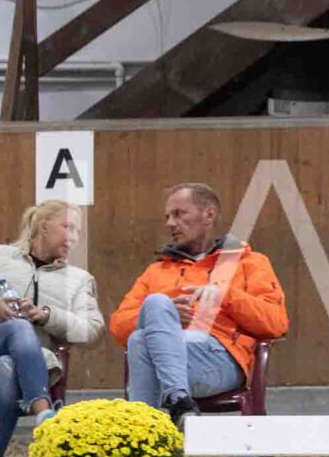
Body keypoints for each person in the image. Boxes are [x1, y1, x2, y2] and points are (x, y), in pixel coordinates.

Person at [0, 199, 105, 457]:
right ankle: (44, 411)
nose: (74, 237)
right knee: (18, 326)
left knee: (6, 367)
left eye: (78, 231)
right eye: (68, 227)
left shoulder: (79, 279)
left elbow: (91, 330)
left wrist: (46, 315)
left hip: (28, 367)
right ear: (43, 226)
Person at [112, 182, 289, 425]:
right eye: (167, 217)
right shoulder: (156, 271)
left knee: (142, 340)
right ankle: (179, 401)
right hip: (165, 362)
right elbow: (119, 327)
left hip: (218, 361)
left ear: (209, 215)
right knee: (151, 315)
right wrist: (164, 316)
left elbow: (276, 323)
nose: (170, 223)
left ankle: (141, 432)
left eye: (178, 214)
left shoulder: (250, 263)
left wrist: (225, 296)